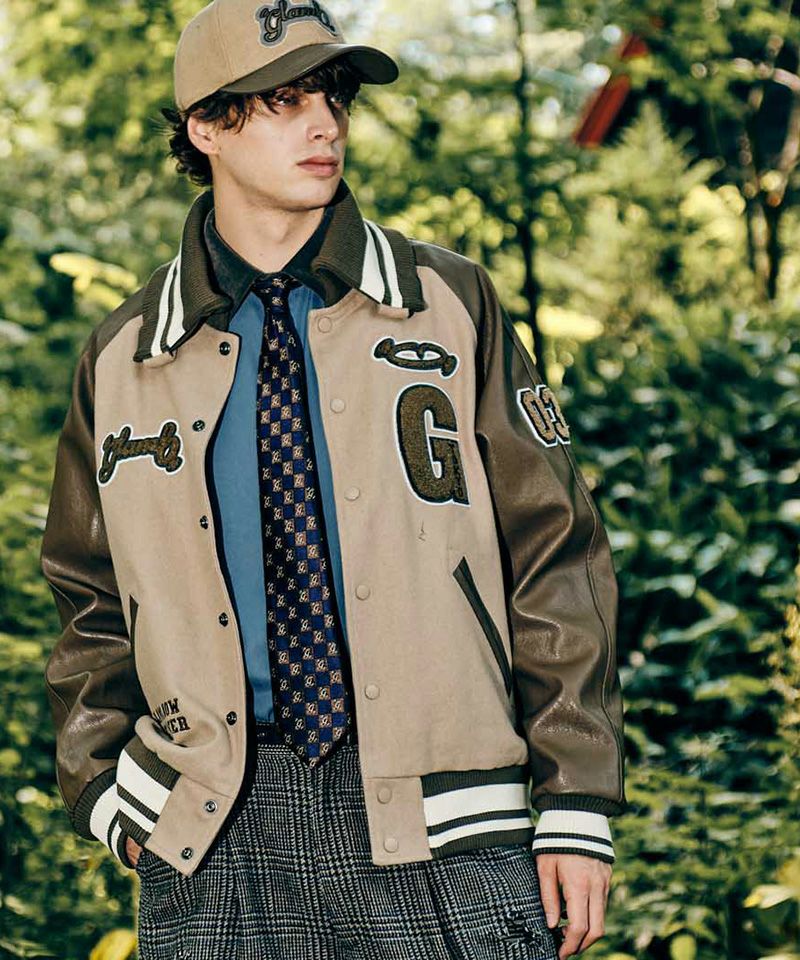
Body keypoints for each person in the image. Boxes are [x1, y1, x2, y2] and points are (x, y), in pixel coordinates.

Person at [39, 1, 627, 958]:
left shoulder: (451, 304)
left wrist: (576, 799)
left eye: (334, 96)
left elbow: (555, 552)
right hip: (212, 835)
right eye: (285, 100)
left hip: (448, 820)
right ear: (206, 127)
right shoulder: (123, 358)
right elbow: (85, 590)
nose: (325, 124)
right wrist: (108, 788)